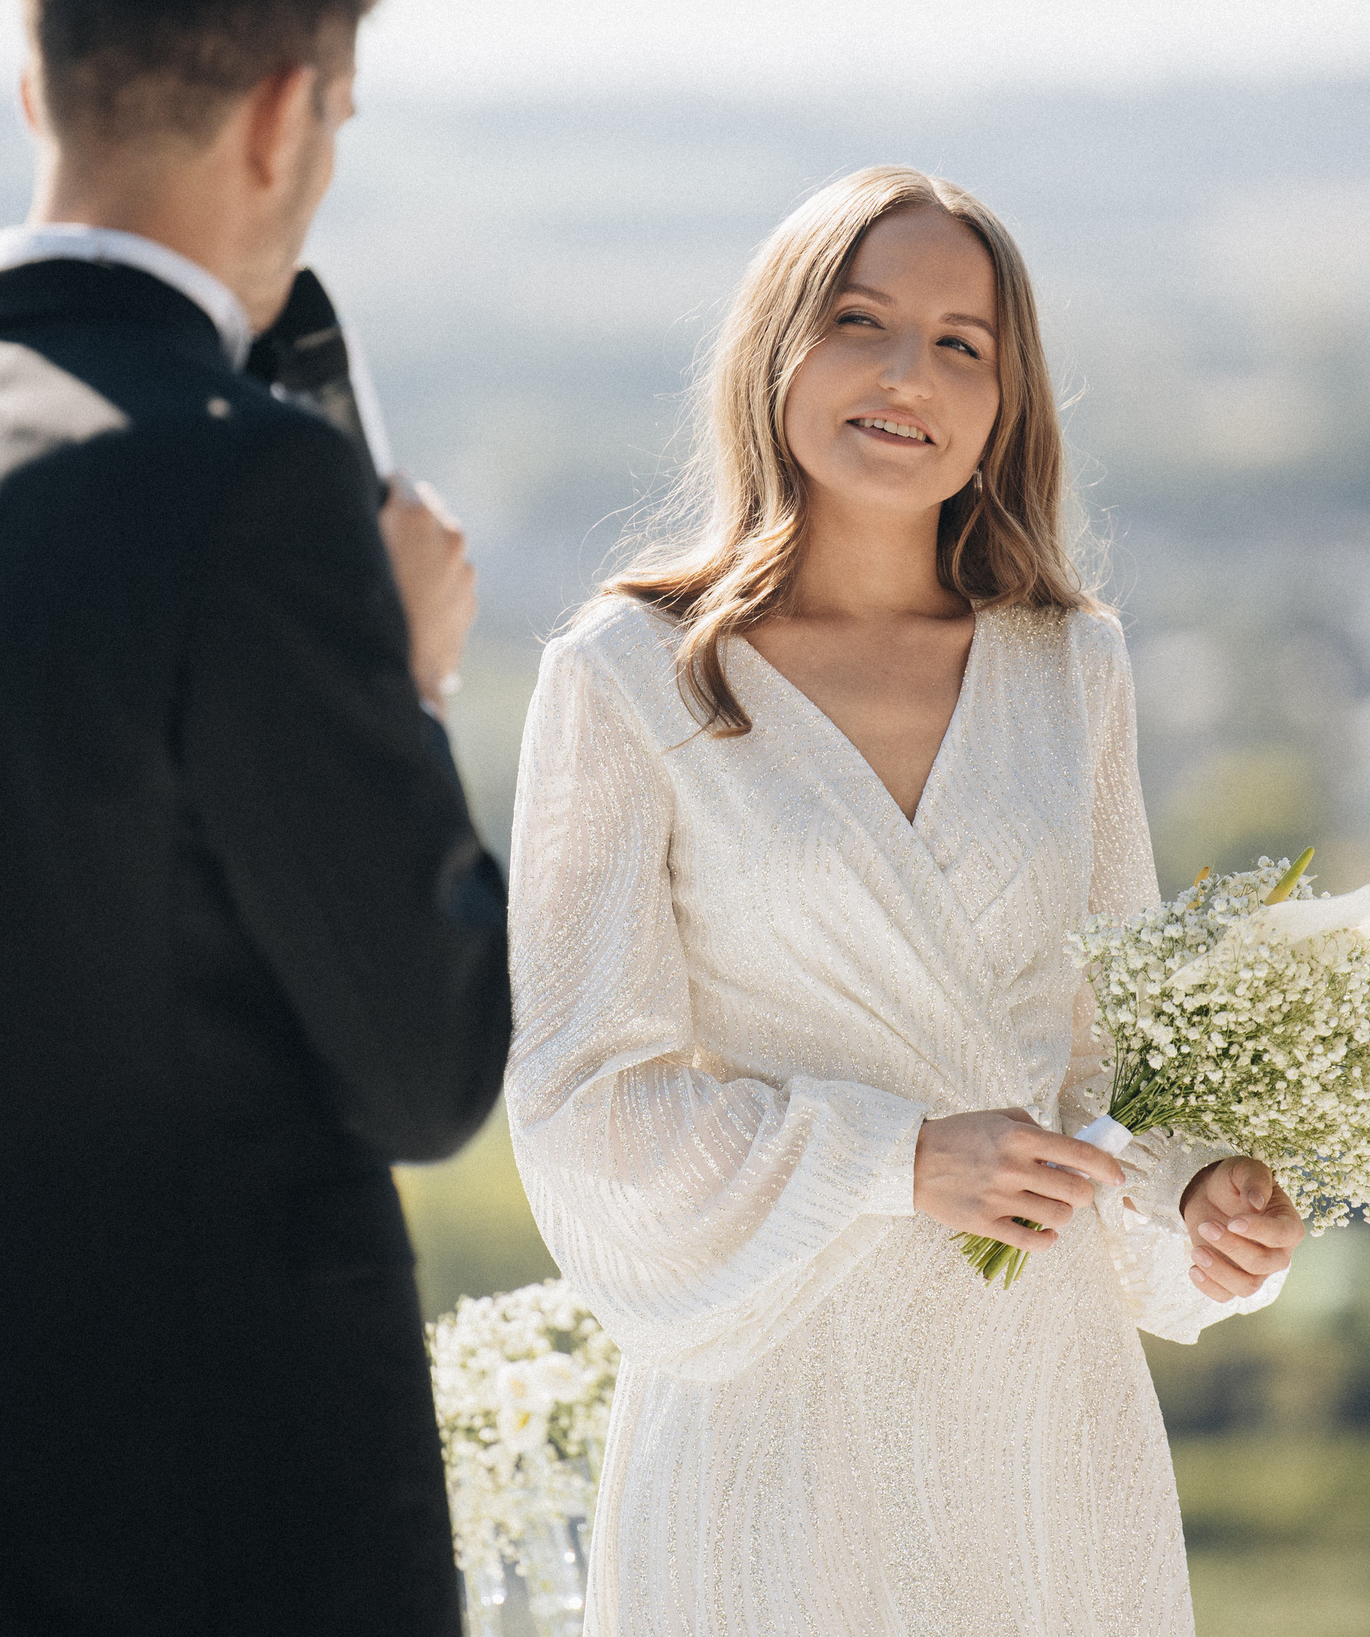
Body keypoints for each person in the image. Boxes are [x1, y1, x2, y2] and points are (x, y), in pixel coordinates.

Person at [0, 0, 510, 1632]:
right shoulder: (253, 488)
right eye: (342, 119)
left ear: (36, 92)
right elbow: (432, 1065)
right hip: (237, 1557)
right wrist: (414, 680)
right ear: (287, 116)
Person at [504, 166, 1305, 1635]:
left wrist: (1198, 1194)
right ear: (776, 350)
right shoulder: (624, 680)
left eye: (961, 343)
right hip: (770, 1420)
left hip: (1040, 1426)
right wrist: (896, 1158)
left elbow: (1098, 1074)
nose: (904, 374)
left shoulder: (1075, 672)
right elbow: (576, 1102)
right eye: (859, 320)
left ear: (1009, 398)